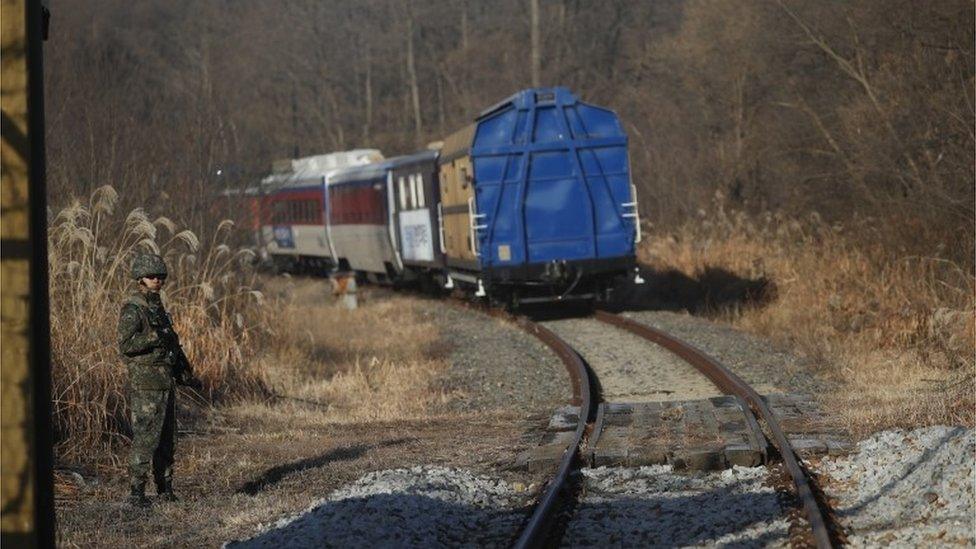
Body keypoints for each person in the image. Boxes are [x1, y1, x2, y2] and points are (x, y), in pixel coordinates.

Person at [118, 253, 201, 507]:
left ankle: (165, 489)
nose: (157, 281)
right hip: (146, 383)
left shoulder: (158, 307)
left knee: (167, 439)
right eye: (152, 276)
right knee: (146, 438)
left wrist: (185, 374)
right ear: (140, 279)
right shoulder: (134, 308)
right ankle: (137, 493)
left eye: (160, 277)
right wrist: (153, 338)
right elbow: (126, 346)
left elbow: (172, 345)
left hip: (165, 382)